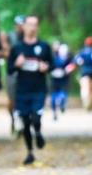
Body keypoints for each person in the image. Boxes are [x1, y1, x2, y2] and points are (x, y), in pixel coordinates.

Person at [9, 15, 52, 165]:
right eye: (29, 25)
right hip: (22, 90)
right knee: (25, 122)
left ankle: (38, 132)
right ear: (24, 27)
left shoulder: (44, 47)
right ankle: (29, 152)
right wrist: (17, 64)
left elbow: (52, 66)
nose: (32, 28)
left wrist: (45, 67)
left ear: (37, 27)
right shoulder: (17, 48)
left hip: (38, 89)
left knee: (35, 117)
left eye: (35, 25)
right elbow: (9, 70)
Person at [5, 15, 25, 135]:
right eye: (18, 24)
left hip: (25, 73)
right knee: (12, 99)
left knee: (22, 98)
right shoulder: (9, 37)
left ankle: (22, 122)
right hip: (12, 71)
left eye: (22, 24)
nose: (20, 27)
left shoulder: (29, 38)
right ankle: (12, 120)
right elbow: (4, 50)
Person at [75, 36, 92, 111]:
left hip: (84, 72)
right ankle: (90, 104)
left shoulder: (81, 52)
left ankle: (85, 102)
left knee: (84, 88)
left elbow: (77, 61)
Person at [49, 42, 73, 120]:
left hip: (62, 78)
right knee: (55, 95)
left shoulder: (67, 57)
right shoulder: (52, 57)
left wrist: (67, 70)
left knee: (61, 94)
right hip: (55, 79)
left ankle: (60, 106)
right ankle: (55, 110)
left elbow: (72, 65)